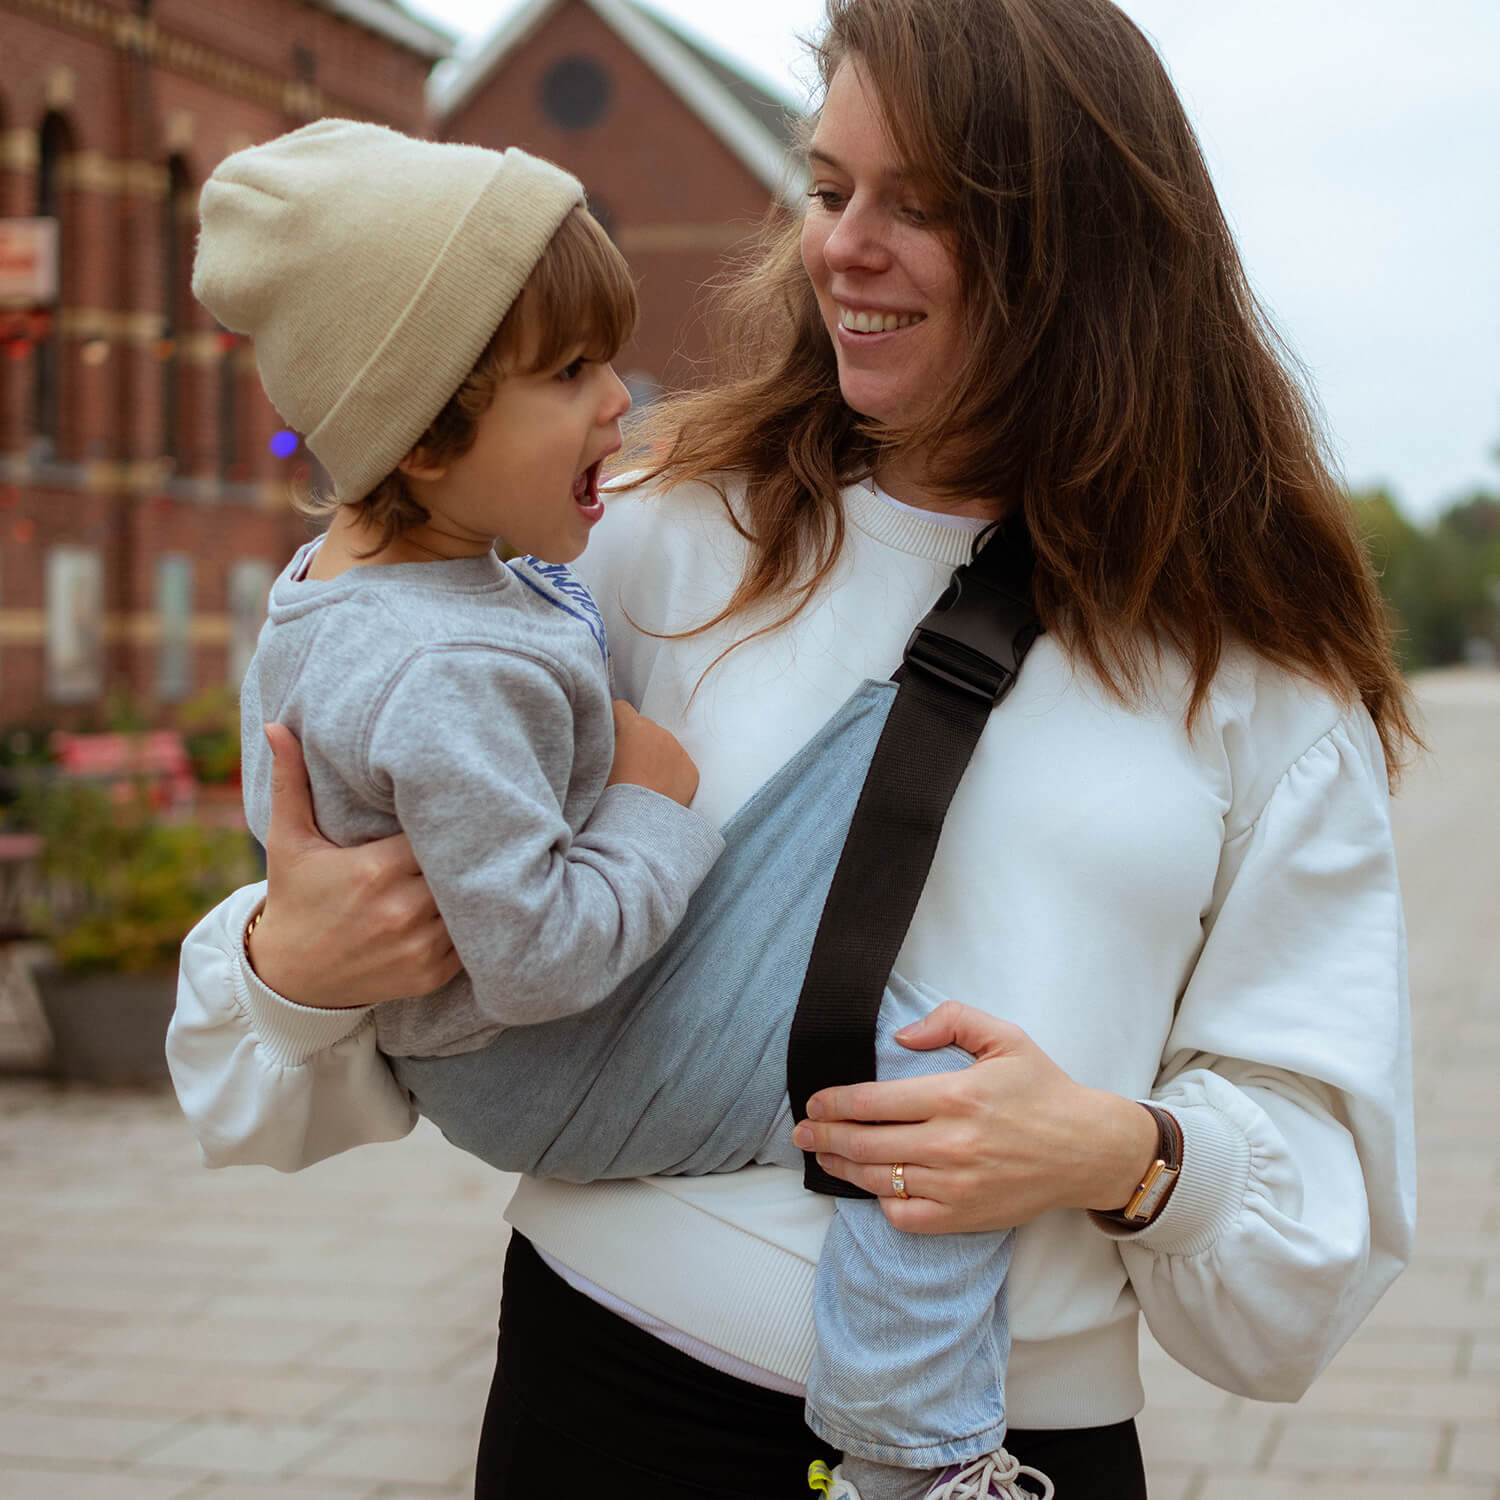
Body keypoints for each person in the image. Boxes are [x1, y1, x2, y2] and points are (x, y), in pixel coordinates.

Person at [167, 2, 1418, 1498]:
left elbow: (1305, 1269)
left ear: (1083, 243)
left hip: (1004, 1451)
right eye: (830, 190)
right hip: (599, 1408)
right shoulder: (625, 543)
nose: (844, 248)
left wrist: (1120, 1154)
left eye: (928, 207)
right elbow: (317, 1075)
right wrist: (290, 966)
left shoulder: (1255, 669)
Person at [185, 118, 1055, 1500]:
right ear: (422, 433)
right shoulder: (453, 661)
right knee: (927, 1078)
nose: (618, 402)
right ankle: (915, 1451)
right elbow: (534, 955)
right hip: (532, 1059)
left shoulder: (355, 586)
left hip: (496, 1060)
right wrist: (654, 803)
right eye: (571, 373)